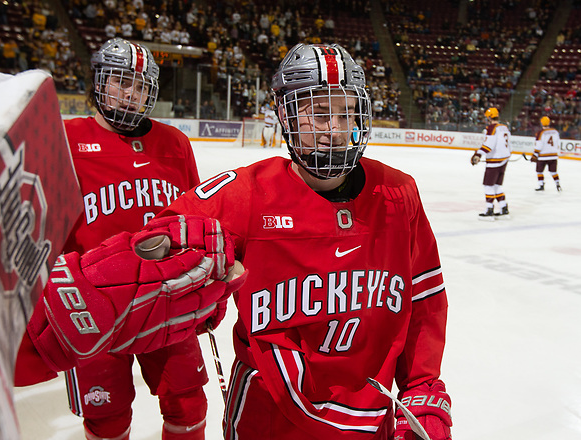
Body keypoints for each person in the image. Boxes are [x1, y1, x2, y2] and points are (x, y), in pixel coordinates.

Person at [143, 43, 452, 440]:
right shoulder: (244, 195)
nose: (335, 129)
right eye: (319, 114)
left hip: (370, 420)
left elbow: (425, 300)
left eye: (346, 113)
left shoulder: (399, 194)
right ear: (286, 116)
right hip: (267, 416)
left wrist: (422, 388)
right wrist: (185, 282)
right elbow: (150, 250)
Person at [12, 38, 213, 440]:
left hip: (166, 300)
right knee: (107, 417)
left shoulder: (174, 143)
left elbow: (197, 221)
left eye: (140, 85)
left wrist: (207, 287)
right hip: (94, 307)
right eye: (121, 81)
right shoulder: (63, 138)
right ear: (99, 83)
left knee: (188, 403)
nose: (131, 93)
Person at [471, 107, 512, 220]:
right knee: (497, 185)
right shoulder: (504, 127)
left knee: (488, 185)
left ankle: (489, 210)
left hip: (495, 161)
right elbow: (509, 146)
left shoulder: (491, 128)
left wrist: (478, 155)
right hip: (504, 160)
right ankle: (504, 208)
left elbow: (489, 145)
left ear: (489, 117)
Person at [531, 116, 562, 191]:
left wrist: (535, 154)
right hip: (553, 155)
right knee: (553, 171)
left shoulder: (540, 133)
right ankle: (558, 184)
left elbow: (539, 145)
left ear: (541, 123)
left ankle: (541, 185)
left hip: (542, 156)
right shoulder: (555, 131)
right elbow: (558, 143)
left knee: (539, 171)